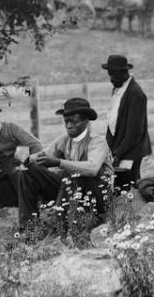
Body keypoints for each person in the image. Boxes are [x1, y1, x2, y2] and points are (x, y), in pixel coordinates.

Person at [15, 97, 113, 229]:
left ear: (86, 121)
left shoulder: (97, 141)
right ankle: (28, 226)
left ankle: (60, 222)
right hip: (72, 190)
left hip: (97, 193)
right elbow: (45, 154)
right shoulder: (65, 140)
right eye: (66, 121)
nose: (69, 126)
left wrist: (59, 162)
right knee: (28, 172)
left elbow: (92, 168)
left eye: (74, 122)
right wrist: (27, 159)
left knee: (70, 172)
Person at [102, 54, 150, 188]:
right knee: (117, 184)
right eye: (110, 74)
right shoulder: (118, 90)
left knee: (128, 185)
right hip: (117, 148)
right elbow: (112, 121)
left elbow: (135, 132)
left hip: (130, 149)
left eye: (115, 75)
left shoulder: (136, 94)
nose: (111, 79)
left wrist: (118, 154)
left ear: (125, 73)